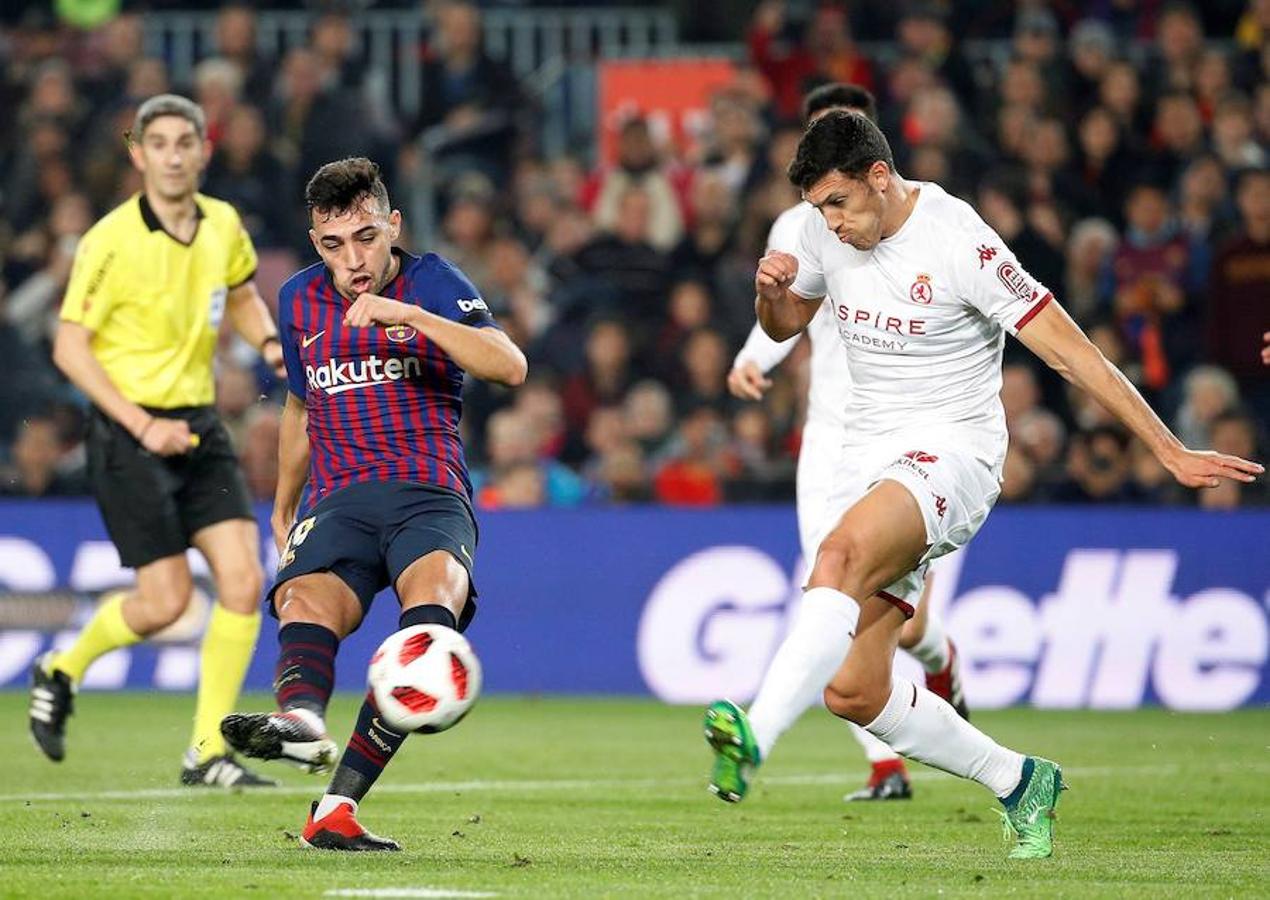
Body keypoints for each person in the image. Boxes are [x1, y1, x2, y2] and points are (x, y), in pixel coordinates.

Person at [705, 111, 1262, 859]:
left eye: (838, 203)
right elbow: (783, 326)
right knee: (855, 692)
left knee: (836, 558)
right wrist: (770, 297)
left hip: (953, 455)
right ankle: (1019, 779)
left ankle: (754, 735)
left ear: (879, 176)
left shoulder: (957, 238)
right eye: (817, 209)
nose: (829, 223)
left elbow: (1071, 352)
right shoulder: (815, 232)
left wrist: (1166, 448)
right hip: (864, 458)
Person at [220, 158, 527, 851]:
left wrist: (410, 315)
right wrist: (283, 501)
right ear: (314, 243)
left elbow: (509, 366)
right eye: (333, 245)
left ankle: (336, 808)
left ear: (393, 225)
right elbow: (301, 402)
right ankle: (300, 721)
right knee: (304, 600)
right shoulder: (298, 302)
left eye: (365, 238)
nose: (352, 261)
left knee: (427, 640)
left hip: (428, 493)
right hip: (340, 496)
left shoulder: (434, 282)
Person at [28, 95, 286, 787]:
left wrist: (267, 340)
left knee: (243, 580)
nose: (173, 155)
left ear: (205, 150)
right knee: (167, 601)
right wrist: (142, 424)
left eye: (186, 142)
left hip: (198, 422)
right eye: (160, 144)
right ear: (138, 154)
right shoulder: (109, 241)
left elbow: (241, 292)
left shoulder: (224, 224)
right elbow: (69, 347)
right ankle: (61, 669)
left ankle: (207, 751)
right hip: (128, 429)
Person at [728, 83, 967, 803]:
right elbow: (784, 301)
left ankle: (940, 658)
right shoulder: (801, 224)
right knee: (830, 587)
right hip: (831, 435)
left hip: (910, 438)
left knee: (900, 619)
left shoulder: (919, 223)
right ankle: (885, 764)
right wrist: (753, 356)